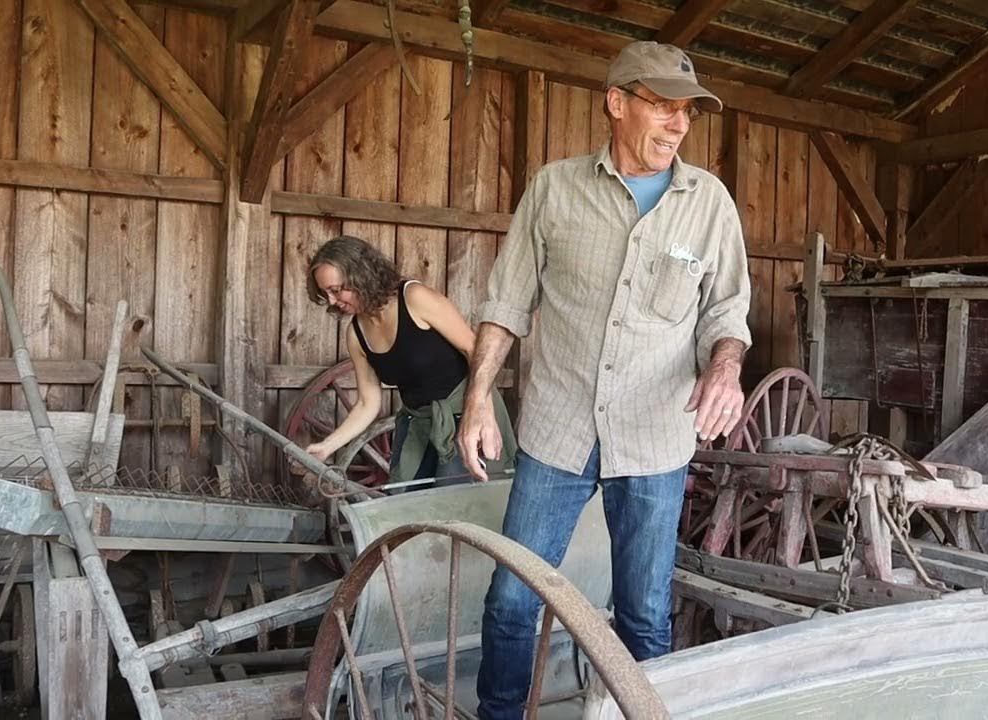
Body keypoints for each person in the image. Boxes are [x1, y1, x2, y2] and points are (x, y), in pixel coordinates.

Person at [456, 41, 752, 718]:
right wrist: (477, 402)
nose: (678, 125)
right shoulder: (554, 190)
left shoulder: (709, 204)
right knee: (510, 602)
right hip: (558, 430)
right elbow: (505, 304)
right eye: (663, 107)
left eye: (687, 112)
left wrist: (726, 367)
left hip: (653, 439)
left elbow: (727, 312)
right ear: (616, 104)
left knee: (645, 617)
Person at [300, 236, 516, 489]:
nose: (333, 301)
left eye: (336, 290)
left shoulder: (415, 298)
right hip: (418, 425)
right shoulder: (356, 334)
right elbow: (367, 403)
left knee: (462, 507)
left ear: (362, 274)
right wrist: (327, 446)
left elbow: (474, 350)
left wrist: (483, 414)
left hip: (468, 412)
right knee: (405, 502)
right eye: (325, 293)